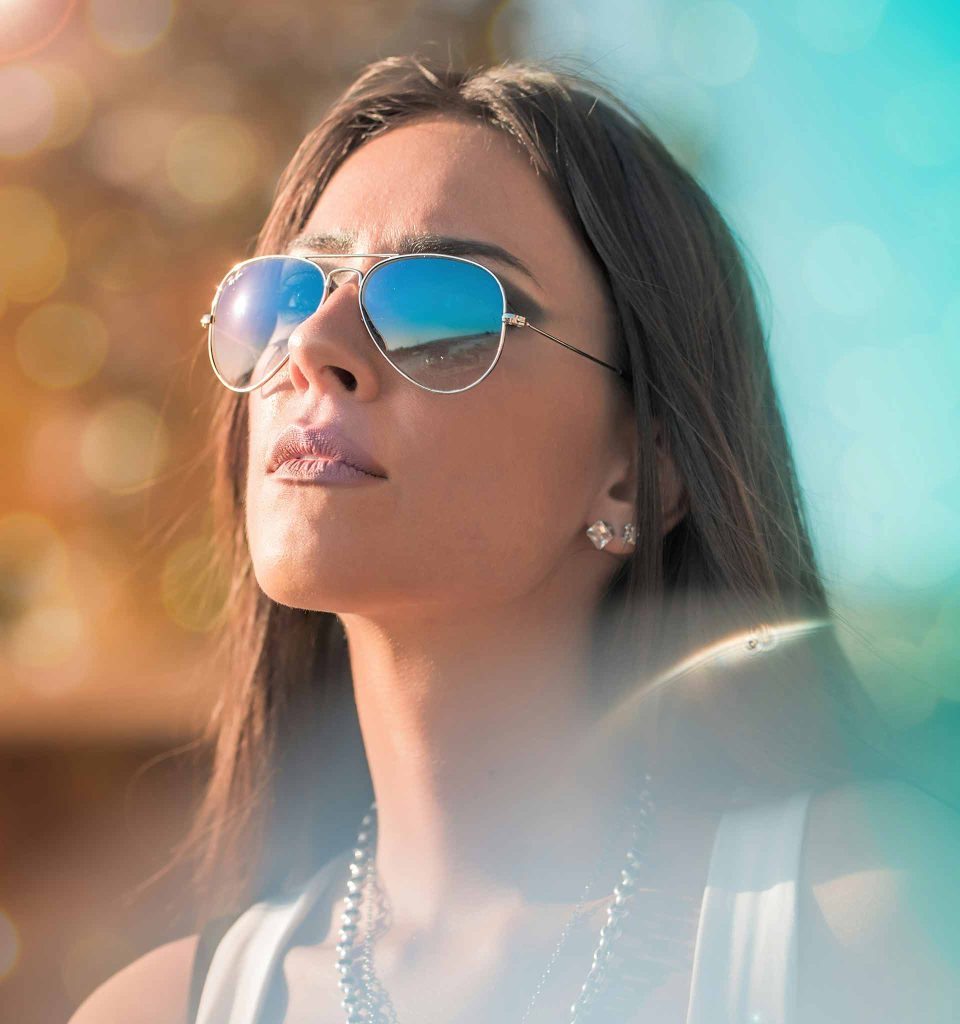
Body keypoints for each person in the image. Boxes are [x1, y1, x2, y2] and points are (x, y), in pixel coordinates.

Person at [70, 54, 959, 1024]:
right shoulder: (156, 1010)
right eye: (283, 296)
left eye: (441, 308)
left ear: (642, 467)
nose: (315, 347)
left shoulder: (867, 927)